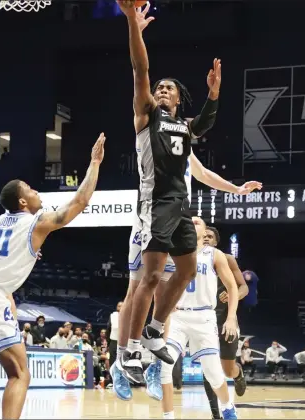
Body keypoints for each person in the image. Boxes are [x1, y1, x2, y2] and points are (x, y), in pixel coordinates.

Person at [0, 133, 105, 419]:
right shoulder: (36, 222)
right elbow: (79, 203)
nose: (36, 191)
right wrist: (95, 163)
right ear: (23, 202)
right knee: (19, 373)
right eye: (30, 189)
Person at [117, 0, 224, 374]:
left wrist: (213, 93)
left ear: (179, 98)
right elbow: (140, 68)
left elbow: (205, 124)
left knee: (187, 270)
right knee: (149, 276)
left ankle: (155, 329)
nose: (162, 90)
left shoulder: (186, 126)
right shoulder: (146, 115)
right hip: (156, 202)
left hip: (181, 206)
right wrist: (132, 22)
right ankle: (129, 350)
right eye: (159, 87)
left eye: (168, 89)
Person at [160, 217, 239, 420]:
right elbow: (160, 282)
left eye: (197, 222)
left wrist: (230, 318)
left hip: (204, 316)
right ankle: (168, 416)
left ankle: (228, 407)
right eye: (190, 221)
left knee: (213, 373)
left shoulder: (214, 254)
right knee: (164, 365)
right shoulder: (174, 252)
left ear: (205, 233)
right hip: (178, 317)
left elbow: (232, 287)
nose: (192, 222)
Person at [201, 226, 248, 419]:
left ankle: (238, 374)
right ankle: (216, 415)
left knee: (227, 369)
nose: (205, 239)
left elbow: (243, 287)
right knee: (208, 368)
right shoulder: (192, 258)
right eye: (203, 236)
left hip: (226, 320)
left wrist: (232, 294)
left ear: (216, 242)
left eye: (210, 236)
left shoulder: (226, 259)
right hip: (204, 321)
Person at [107, 301, 123, 367]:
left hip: (124, 343)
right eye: (119, 306)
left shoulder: (129, 315)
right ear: (117, 307)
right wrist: (109, 343)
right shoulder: (112, 316)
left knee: (122, 362)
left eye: (122, 306)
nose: (120, 307)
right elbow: (108, 329)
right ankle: (112, 376)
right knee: (113, 361)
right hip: (113, 342)